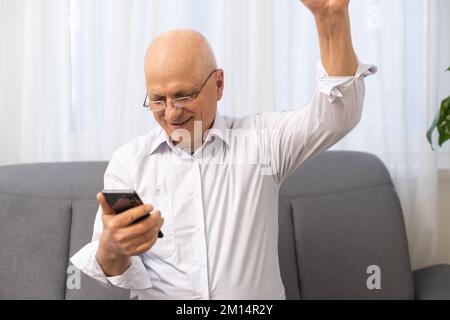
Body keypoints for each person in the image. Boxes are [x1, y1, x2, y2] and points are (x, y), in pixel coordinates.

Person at [71, 0, 376, 299]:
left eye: (184, 95)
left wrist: (330, 19)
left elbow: (337, 116)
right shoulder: (129, 163)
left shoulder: (263, 142)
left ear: (218, 85)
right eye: (157, 100)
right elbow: (114, 271)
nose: (172, 113)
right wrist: (114, 245)